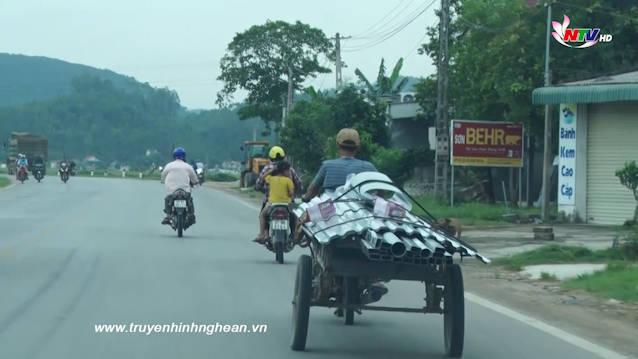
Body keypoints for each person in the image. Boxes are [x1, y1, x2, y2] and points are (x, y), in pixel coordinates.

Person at [302, 128, 377, 201]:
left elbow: (312, 189)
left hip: (332, 210)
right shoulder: (369, 167)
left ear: (337, 145)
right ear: (358, 147)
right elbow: (382, 188)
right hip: (362, 209)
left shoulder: (327, 166)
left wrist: (306, 198)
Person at [255, 160, 295, 243]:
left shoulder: (271, 179)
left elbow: (263, 178)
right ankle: (294, 234)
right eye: (288, 170)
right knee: (294, 216)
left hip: (272, 204)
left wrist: (271, 171)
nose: (289, 172)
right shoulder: (288, 181)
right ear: (284, 171)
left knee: (262, 216)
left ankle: (262, 234)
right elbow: (291, 194)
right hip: (287, 205)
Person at [160, 147, 199, 225]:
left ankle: (168, 215)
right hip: (185, 192)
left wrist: (163, 181)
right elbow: (194, 179)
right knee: (189, 201)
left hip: (172, 192)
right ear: (184, 156)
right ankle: (191, 215)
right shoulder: (188, 166)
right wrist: (196, 182)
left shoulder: (169, 165)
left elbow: (163, 176)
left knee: (167, 200)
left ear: (174, 156)